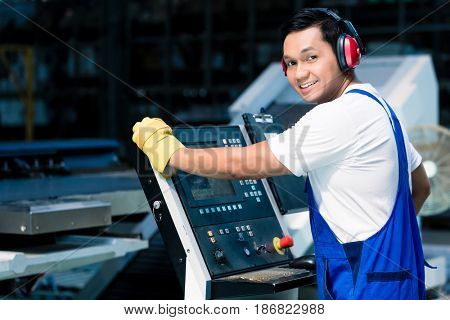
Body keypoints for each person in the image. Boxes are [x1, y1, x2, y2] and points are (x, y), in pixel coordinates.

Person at [132, 8, 431, 299]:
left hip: (366, 290)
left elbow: (242, 164)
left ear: (346, 54)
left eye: (311, 57)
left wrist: (172, 154)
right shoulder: (380, 106)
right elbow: (421, 186)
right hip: (397, 281)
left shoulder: (340, 115)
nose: (300, 74)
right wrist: (387, 248)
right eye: (290, 63)